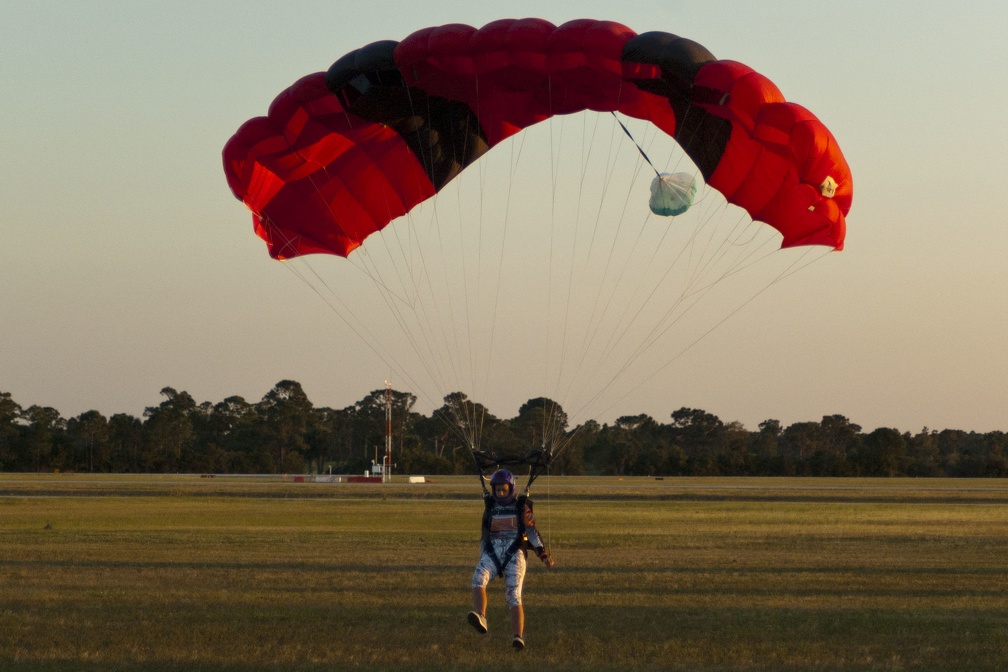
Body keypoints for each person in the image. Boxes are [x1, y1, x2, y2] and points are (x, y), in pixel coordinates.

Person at [468, 468, 554, 650]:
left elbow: (532, 532)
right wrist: (482, 554)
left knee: (513, 595)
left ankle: (518, 637)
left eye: (503, 490)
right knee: (477, 578)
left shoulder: (520, 507)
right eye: (497, 490)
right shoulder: (490, 507)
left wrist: (543, 555)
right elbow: (484, 535)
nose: (500, 494)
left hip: (515, 554)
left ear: (511, 489)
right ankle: (481, 616)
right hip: (492, 551)